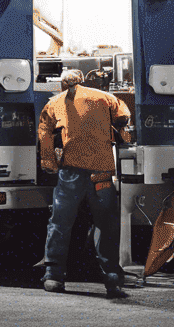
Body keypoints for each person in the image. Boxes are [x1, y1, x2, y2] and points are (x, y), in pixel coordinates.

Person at [37, 67, 130, 298]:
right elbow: (123, 116)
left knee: (60, 222)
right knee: (106, 223)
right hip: (101, 172)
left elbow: (44, 133)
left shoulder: (55, 102)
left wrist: (49, 161)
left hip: (71, 172)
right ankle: (111, 279)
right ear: (83, 80)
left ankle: (53, 275)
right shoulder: (105, 97)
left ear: (62, 84)